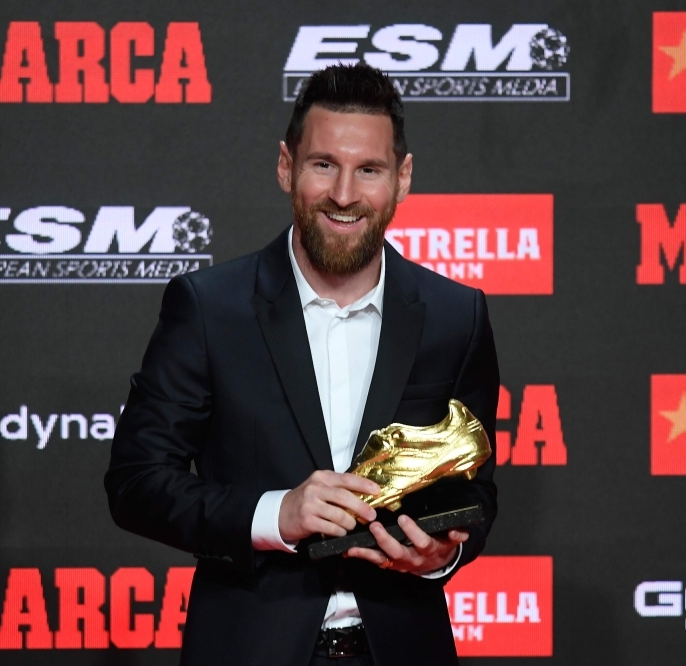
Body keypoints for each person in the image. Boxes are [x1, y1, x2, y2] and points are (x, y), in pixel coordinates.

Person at [105, 63, 499, 666]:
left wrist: (439, 557)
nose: (344, 194)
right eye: (324, 165)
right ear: (287, 166)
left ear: (403, 178)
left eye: (368, 169)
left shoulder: (455, 316)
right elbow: (136, 483)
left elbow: (477, 490)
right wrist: (276, 514)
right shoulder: (210, 308)